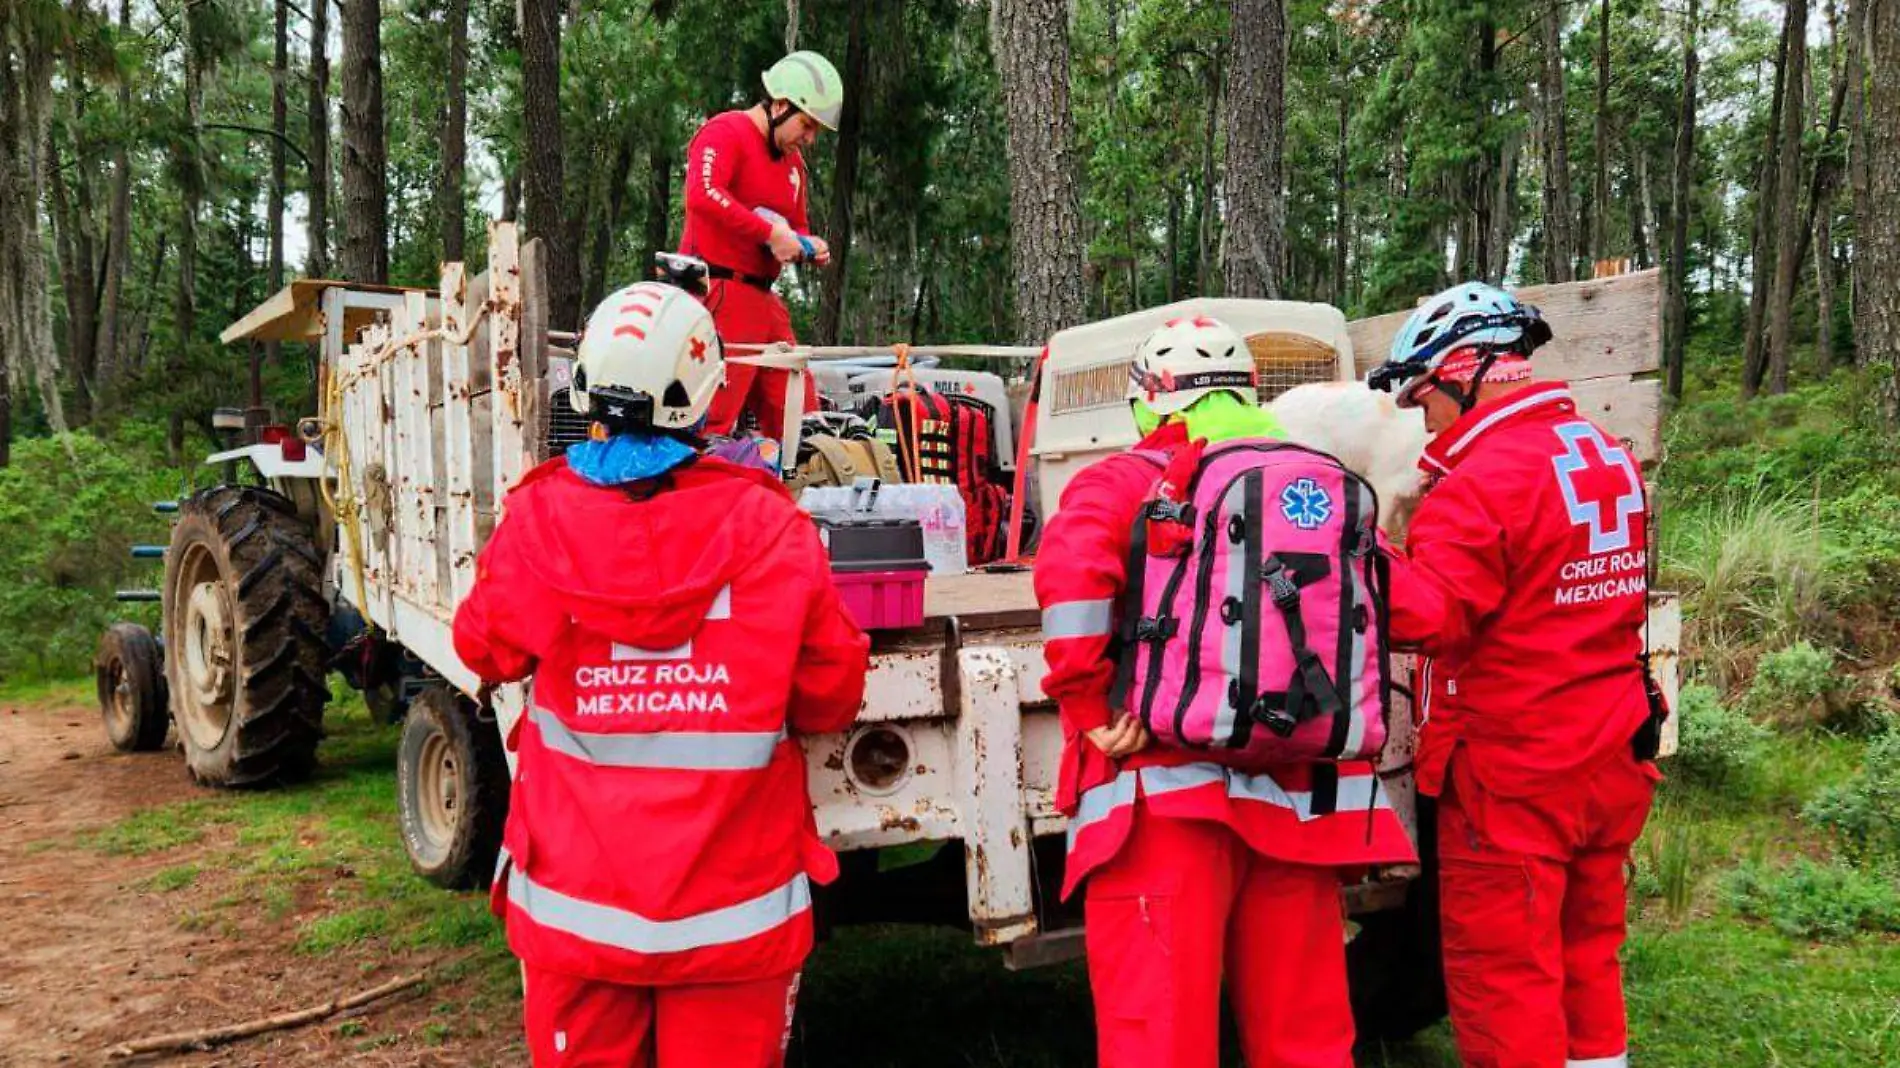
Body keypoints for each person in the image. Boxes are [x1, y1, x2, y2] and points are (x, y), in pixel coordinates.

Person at [452, 280, 870, 1068]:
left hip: (578, 915)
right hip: (735, 918)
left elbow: (483, 647)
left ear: (587, 391)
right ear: (708, 396)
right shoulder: (772, 526)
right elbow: (829, 694)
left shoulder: (541, 520)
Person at [1034, 315, 1417, 1068]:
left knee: (1160, 1036)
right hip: (1298, 796)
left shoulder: (1121, 481)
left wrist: (1089, 710)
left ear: (1152, 399)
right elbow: (1410, 604)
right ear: (1250, 391)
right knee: (1304, 1037)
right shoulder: (1316, 484)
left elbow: (1072, 584)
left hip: (1162, 802)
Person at [1367, 281, 1660, 1068]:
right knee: (1587, 954)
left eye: (1423, 395)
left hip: (1514, 775)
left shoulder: (1483, 482)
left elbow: (1433, 618)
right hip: (1609, 751)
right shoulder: (1602, 452)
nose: (1420, 415)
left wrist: (1357, 550)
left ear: (1466, 371)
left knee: (1505, 979)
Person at [678, 50, 843, 442]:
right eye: (806, 125)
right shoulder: (725, 131)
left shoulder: (794, 166)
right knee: (711, 419)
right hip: (717, 291)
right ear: (781, 105)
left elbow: (797, 225)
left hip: (765, 302)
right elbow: (702, 194)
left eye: (816, 130)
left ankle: (796, 491)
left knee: (799, 418)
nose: (809, 138)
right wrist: (770, 235)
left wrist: (810, 245)